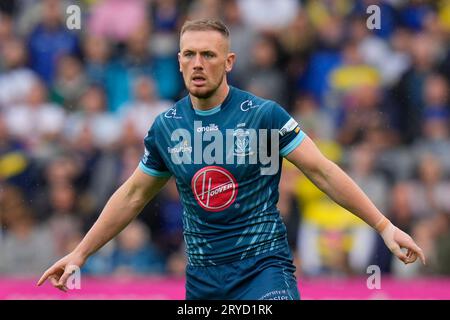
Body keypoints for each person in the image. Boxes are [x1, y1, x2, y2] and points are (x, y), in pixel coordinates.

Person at [37, 19, 426, 300]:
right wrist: (80, 253)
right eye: (189, 54)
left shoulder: (263, 115)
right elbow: (134, 194)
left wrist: (383, 225)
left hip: (263, 270)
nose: (198, 63)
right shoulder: (167, 127)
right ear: (178, 61)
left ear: (229, 61)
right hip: (203, 279)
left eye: (209, 55)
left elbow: (322, 171)